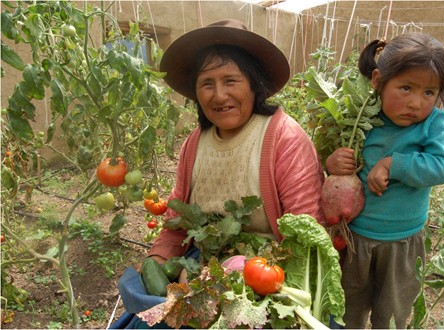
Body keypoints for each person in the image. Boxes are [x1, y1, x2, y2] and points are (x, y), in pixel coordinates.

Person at [110, 19, 325, 329]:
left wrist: (249, 276)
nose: (219, 95)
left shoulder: (284, 138)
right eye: (207, 83)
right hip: (199, 268)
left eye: (231, 80)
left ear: (254, 84)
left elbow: (307, 234)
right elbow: (176, 223)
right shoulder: (195, 143)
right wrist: (156, 263)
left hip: (266, 275)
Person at [326, 32, 444, 329]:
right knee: (346, 310)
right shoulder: (362, 118)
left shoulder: (434, 123)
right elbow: (338, 170)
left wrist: (392, 164)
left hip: (403, 243)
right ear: (377, 80)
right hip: (354, 239)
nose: (416, 103)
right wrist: (332, 164)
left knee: (393, 314)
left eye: (429, 93)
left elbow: (443, 167)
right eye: (406, 88)